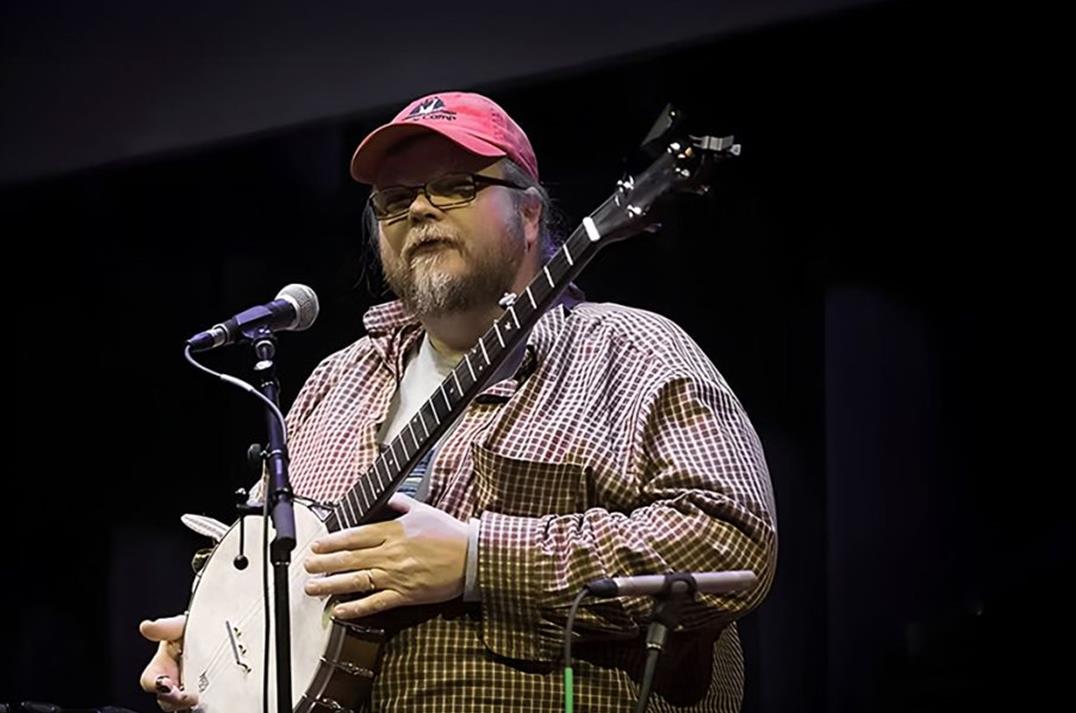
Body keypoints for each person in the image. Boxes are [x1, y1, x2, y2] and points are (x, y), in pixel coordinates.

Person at [139, 90, 777, 712]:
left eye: (454, 185)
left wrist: (477, 559)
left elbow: (732, 542)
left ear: (529, 215)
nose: (418, 209)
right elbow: (259, 555)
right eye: (394, 199)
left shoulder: (632, 350)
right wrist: (204, 633)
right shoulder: (335, 382)